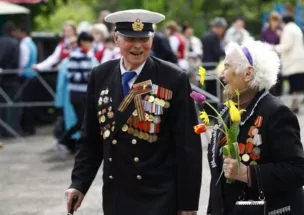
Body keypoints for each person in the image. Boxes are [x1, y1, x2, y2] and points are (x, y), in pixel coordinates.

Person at [65, 9, 202, 215]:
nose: (138, 46)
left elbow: (187, 147)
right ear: (116, 39)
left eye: (144, 38)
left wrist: (188, 204)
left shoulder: (173, 78)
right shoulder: (100, 75)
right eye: (130, 38)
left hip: (159, 197)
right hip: (116, 196)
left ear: (152, 39)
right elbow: (91, 139)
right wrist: (79, 183)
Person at [207, 41, 304, 215]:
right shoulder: (226, 111)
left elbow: (298, 170)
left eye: (227, 67)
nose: (222, 75)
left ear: (248, 74)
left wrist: (248, 173)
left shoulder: (276, 113)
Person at [56, 32, 98, 158]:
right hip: (77, 94)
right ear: (83, 42)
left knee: (85, 122)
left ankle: (76, 144)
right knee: (82, 122)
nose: (91, 44)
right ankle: (63, 140)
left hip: (85, 93)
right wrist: (89, 76)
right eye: (89, 41)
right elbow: (72, 76)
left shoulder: (89, 56)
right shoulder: (75, 56)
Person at [274, 15, 304, 113]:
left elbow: (287, 44)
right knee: (297, 86)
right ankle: (295, 104)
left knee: (294, 85)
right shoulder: (296, 28)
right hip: (300, 61)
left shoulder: (288, 29)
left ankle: (295, 105)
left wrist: (275, 48)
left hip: (293, 62)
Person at [7, 22, 38, 136]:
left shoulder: (24, 45)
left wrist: (18, 71)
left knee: (26, 102)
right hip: (32, 75)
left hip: (25, 75)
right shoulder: (32, 43)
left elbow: (23, 61)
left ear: (22, 32)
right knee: (30, 102)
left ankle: (27, 127)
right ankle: (31, 126)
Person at [0, 27, 21, 137]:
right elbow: (17, 60)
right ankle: (13, 130)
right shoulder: (15, 43)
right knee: (13, 105)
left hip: (2, 78)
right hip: (12, 77)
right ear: (12, 31)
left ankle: (2, 131)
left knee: (2, 105)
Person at [261, 11, 283, 96]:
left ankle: (279, 96)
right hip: (268, 57)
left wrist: (280, 36)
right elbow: (263, 42)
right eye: (273, 20)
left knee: (279, 78)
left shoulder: (280, 30)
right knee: (270, 78)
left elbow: (283, 43)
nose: (275, 22)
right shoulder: (265, 31)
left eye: (276, 20)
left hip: (279, 57)